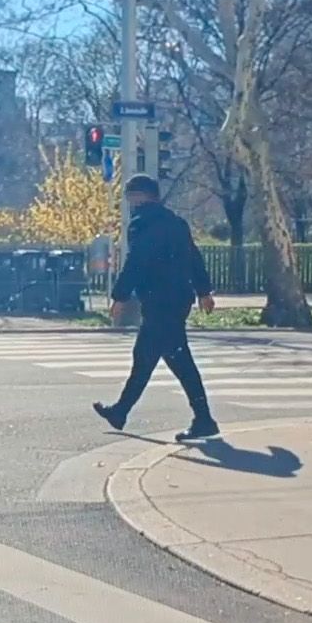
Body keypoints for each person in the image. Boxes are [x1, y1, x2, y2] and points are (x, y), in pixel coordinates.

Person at [93, 175, 219, 442]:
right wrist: (203, 291)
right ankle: (120, 411)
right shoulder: (176, 223)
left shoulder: (141, 224)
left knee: (178, 361)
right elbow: (194, 257)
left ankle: (204, 419)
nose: (129, 203)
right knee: (147, 356)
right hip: (178, 299)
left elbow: (136, 262)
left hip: (159, 300)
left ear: (140, 196)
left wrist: (120, 296)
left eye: (129, 197)